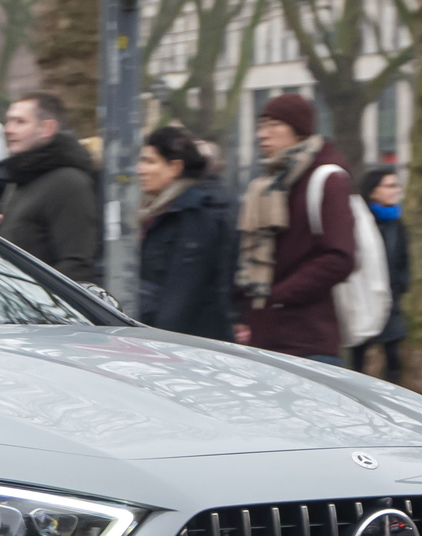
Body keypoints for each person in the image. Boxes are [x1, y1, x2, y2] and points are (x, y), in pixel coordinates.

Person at [235, 92, 356, 362]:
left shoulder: (327, 179)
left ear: (299, 132)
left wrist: (278, 297)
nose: (262, 135)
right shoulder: (267, 185)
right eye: (261, 126)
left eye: (273, 125)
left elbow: (339, 257)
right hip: (265, 341)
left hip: (309, 343)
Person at [135, 125, 237, 339]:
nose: (140, 169)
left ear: (175, 168)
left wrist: (155, 343)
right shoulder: (156, 210)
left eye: (150, 161)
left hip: (188, 348)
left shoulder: (194, 215)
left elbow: (181, 296)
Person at [0, 92, 99, 282]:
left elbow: (76, 264)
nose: (8, 129)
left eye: (20, 122)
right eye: (9, 121)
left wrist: (34, 299)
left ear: (47, 128)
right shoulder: (20, 179)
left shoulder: (69, 183)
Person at [355, 164, 411, 379]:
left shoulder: (398, 224)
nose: (395, 190)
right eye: (389, 186)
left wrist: (400, 286)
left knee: (394, 357)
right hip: (364, 301)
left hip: (391, 301)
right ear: (373, 191)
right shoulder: (360, 222)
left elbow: (403, 260)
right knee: (358, 359)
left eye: (396, 186)